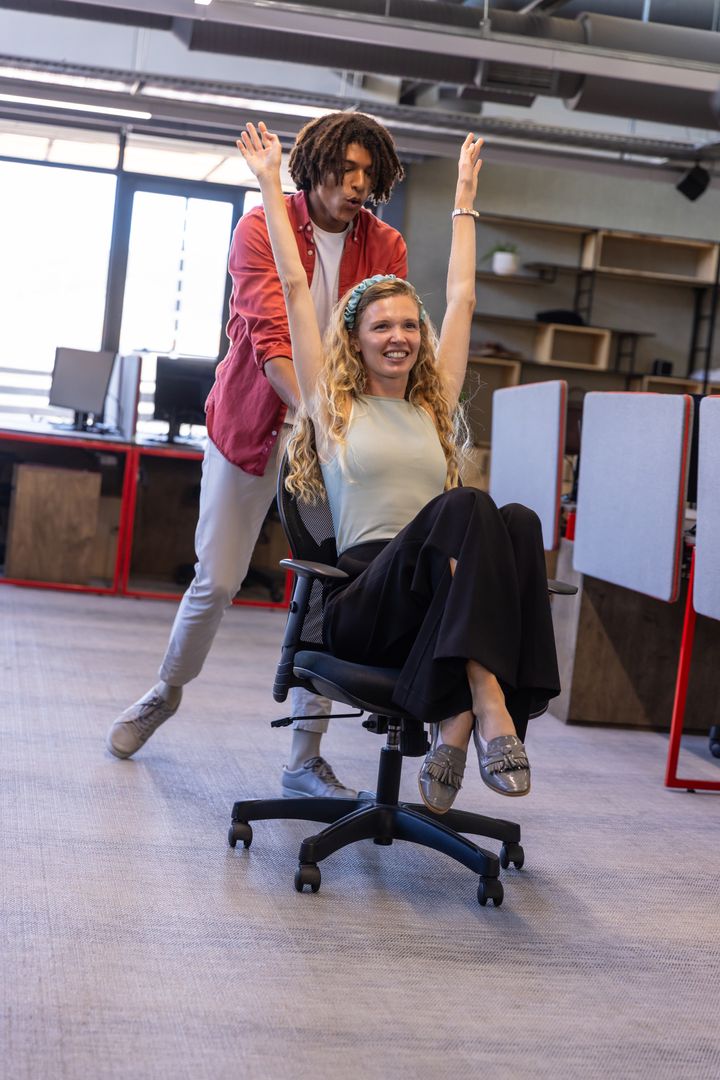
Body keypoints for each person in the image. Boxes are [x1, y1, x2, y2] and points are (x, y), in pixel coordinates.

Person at [237, 120, 561, 813]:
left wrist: (465, 197)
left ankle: (461, 722)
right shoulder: (332, 408)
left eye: (410, 325)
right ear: (355, 340)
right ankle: (479, 703)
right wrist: (270, 182)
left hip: (436, 599)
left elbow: (465, 298)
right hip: (368, 597)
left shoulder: (434, 407)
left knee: (520, 520)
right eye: (382, 326)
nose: (400, 336)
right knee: (469, 506)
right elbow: (295, 288)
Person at [107, 113, 407, 799]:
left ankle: (305, 757)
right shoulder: (259, 226)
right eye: (345, 171)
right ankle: (165, 691)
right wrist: (311, 417)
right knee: (217, 577)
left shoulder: (384, 243)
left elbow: (386, 337)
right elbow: (272, 337)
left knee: (334, 583)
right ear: (316, 168)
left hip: (339, 434)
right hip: (253, 422)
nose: (357, 185)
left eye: (369, 174)